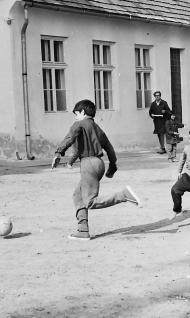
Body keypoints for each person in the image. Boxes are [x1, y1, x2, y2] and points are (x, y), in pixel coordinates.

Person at [51, 99, 142, 241]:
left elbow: (71, 136)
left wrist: (58, 152)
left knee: (90, 201)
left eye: (76, 114)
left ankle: (123, 195)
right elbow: (110, 148)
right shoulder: (98, 128)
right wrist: (112, 166)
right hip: (99, 163)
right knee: (78, 195)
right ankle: (82, 230)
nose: (75, 117)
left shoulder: (79, 124)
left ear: (83, 112)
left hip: (88, 164)